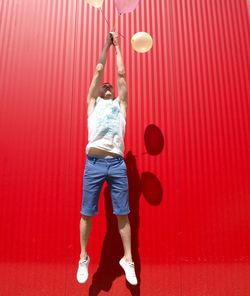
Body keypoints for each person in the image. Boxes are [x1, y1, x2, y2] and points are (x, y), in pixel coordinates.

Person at [76, 32, 138, 286]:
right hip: (93, 164)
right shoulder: (93, 103)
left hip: (116, 164)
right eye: (105, 85)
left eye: (111, 86)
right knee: (87, 212)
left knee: (123, 213)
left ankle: (128, 260)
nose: (109, 85)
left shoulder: (120, 105)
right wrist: (105, 46)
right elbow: (98, 72)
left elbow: (121, 75)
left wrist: (118, 47)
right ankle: (83, 257)